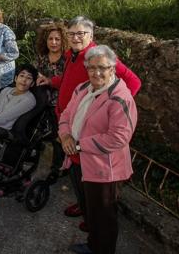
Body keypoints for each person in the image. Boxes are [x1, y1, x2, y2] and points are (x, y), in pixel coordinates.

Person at [37, 16, 141, 229]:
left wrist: (109, 106)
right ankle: (86, 208)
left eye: (81, 33)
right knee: (78, 174)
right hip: (69, 124)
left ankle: (93, 219)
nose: (75, 38)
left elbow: (133, 82)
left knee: (90, 176)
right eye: (72, 33)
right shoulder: (72, 55)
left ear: (91, 36)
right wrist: (52, 81)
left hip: (88, 133)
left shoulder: (97, 57)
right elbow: (68, 81)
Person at [59, 46, 138, 254]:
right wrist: (65, 135)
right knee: (89, 209)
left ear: (113, 69)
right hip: (78, 162)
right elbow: (66, 115)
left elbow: (119, 137)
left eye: (102, 67)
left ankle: (102, 249)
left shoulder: (120, 98)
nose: (97, 73)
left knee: (104, 216)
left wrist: (78, 145)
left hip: (104, 169)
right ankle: (93, 244)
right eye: (91, 68)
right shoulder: (82, 89)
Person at [34, 22, 69, 181]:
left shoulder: (67, 59)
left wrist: (49, 80)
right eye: (50, 39)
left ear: (63, 41)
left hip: (60, 105)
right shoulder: (42, 57)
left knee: (58, 136)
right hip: (42, 101)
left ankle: (58, 168)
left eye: (57, 39)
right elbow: (37, 75)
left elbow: (68, 81)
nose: (54, 42)